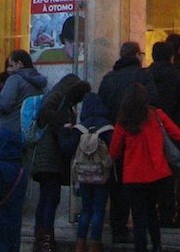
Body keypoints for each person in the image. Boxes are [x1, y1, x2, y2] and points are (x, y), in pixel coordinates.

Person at [108, 84, 180, 252]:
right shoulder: (157, 115)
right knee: (152, 213)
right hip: (157, 173)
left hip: (133, 176)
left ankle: (141, 248)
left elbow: (114, 151)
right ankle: (157, 246)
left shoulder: (123, 121)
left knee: (138, 218)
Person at [29, 73, 90, 252]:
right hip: (50, 156)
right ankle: (46, 239)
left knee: (46, 197)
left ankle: (41, 237)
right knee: (51, 198)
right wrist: (64, 126)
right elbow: (45, 115)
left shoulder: (60, 99)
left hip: (46, 156)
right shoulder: (58, 99)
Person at [141, 42, 180, 226]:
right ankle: (168, 213)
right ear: (171, 57)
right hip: (174, 130)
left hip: (150, 131)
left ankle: (152, 211)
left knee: (153, 170)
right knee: (172, 175)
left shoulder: (146, 76)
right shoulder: (178, 77)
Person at [97, 41, 146, 242]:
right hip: (137, 138)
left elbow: (101, 106)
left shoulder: (108, 79)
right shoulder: (142, 76)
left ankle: (118, 228)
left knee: (117, 185)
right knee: (138, 186)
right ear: (136, 55)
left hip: (113, 135)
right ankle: (139, 228)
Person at [70, 92, 115, 252]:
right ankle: (95, 244)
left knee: (86, 209)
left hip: (83, 174)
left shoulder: (80, 128)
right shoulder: (107, 127)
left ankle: (80, 245)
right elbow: (114, 150)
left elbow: (70, 148)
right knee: (98, 209)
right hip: (101, 174)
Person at [0, 49, 46, 140]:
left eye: (11, 65)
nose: (8, 69)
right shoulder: (38, 82)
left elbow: (5, 105)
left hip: (8, 130)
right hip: (27, 130)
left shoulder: (15, 79)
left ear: (19, 64)